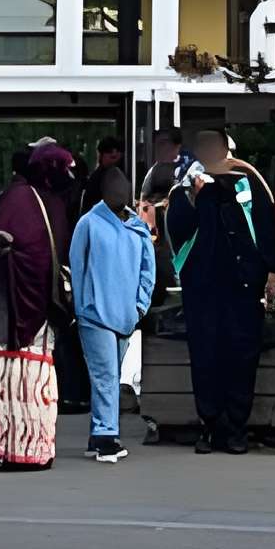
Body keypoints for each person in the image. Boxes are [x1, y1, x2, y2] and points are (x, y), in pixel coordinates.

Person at [167, 126, 275, 453]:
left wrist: (273, 272)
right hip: (203, 290)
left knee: (242, 357)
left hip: (243, 287)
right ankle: (210, 426)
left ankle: (236, 428)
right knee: (206, 358)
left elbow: (268, 227)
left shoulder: (248, 180)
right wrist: (198, 199)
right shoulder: (185, 187)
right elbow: (178, 230)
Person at [0, 142, 74, 469]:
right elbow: (5, 245)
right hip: (10, 306)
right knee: (17, 371)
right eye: (62, 168)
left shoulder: (33, 200)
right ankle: (2, 448)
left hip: (23, 308)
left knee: (11, 372)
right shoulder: (24, 199)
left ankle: (13, 448)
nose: (68, 175)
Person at [69, 162, 157, 463]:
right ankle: (107, 436)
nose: (122, 192)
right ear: (105, 192)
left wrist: (139, 306)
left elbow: (148, 270)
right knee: (105, 376)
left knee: (111, 374)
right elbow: (77, 267)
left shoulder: (137, 227)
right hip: (95, 315)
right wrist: (83, 307)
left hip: (126, 316)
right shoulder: (89, 224)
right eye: (115, 187)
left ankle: (98, 434)